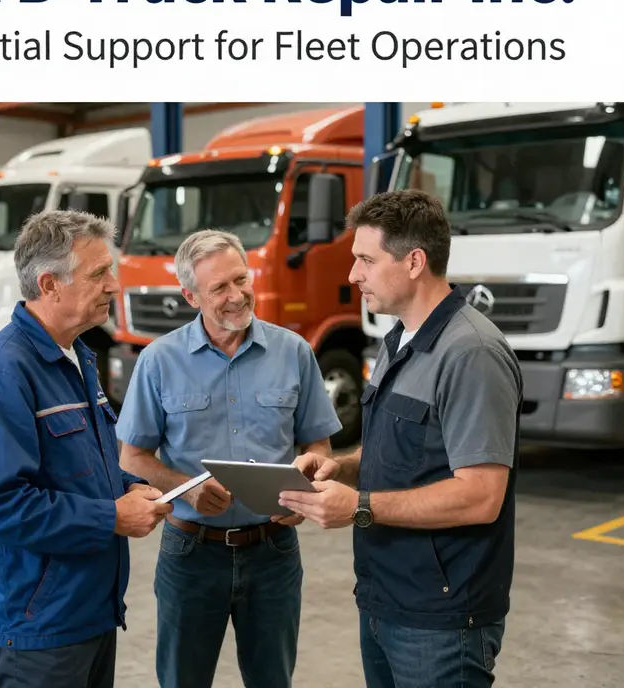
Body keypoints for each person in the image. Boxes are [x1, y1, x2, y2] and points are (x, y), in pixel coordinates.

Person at [279, 190, 522, 687]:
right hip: (385, 596)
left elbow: (481, 496)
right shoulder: (398, 341)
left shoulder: (471, 354)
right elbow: (405, 448)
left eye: (366, 260)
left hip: (442, 617)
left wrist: (359, 506)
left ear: (414, 261)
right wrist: (340, 468)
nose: (352, 276)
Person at [0, 209, 172, 688]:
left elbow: (83, 470)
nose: (114, 285)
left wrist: (135, 490)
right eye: (98, 274)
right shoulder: (1, 375)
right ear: (49, 284)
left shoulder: (75, 357)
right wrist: (112, 517)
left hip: (87, 610)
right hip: (37, 628)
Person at [116, 229, 343, 688]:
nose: (237, 295)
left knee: (272, 679)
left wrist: (307, 484)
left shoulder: (293, 351)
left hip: (273, 552)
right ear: (190, 295)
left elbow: (318, 446)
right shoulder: (159, 361)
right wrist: (187, 487)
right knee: (183, 679)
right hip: (190, 553)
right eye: (220, 287)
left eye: (242, 279)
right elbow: (133, 457)